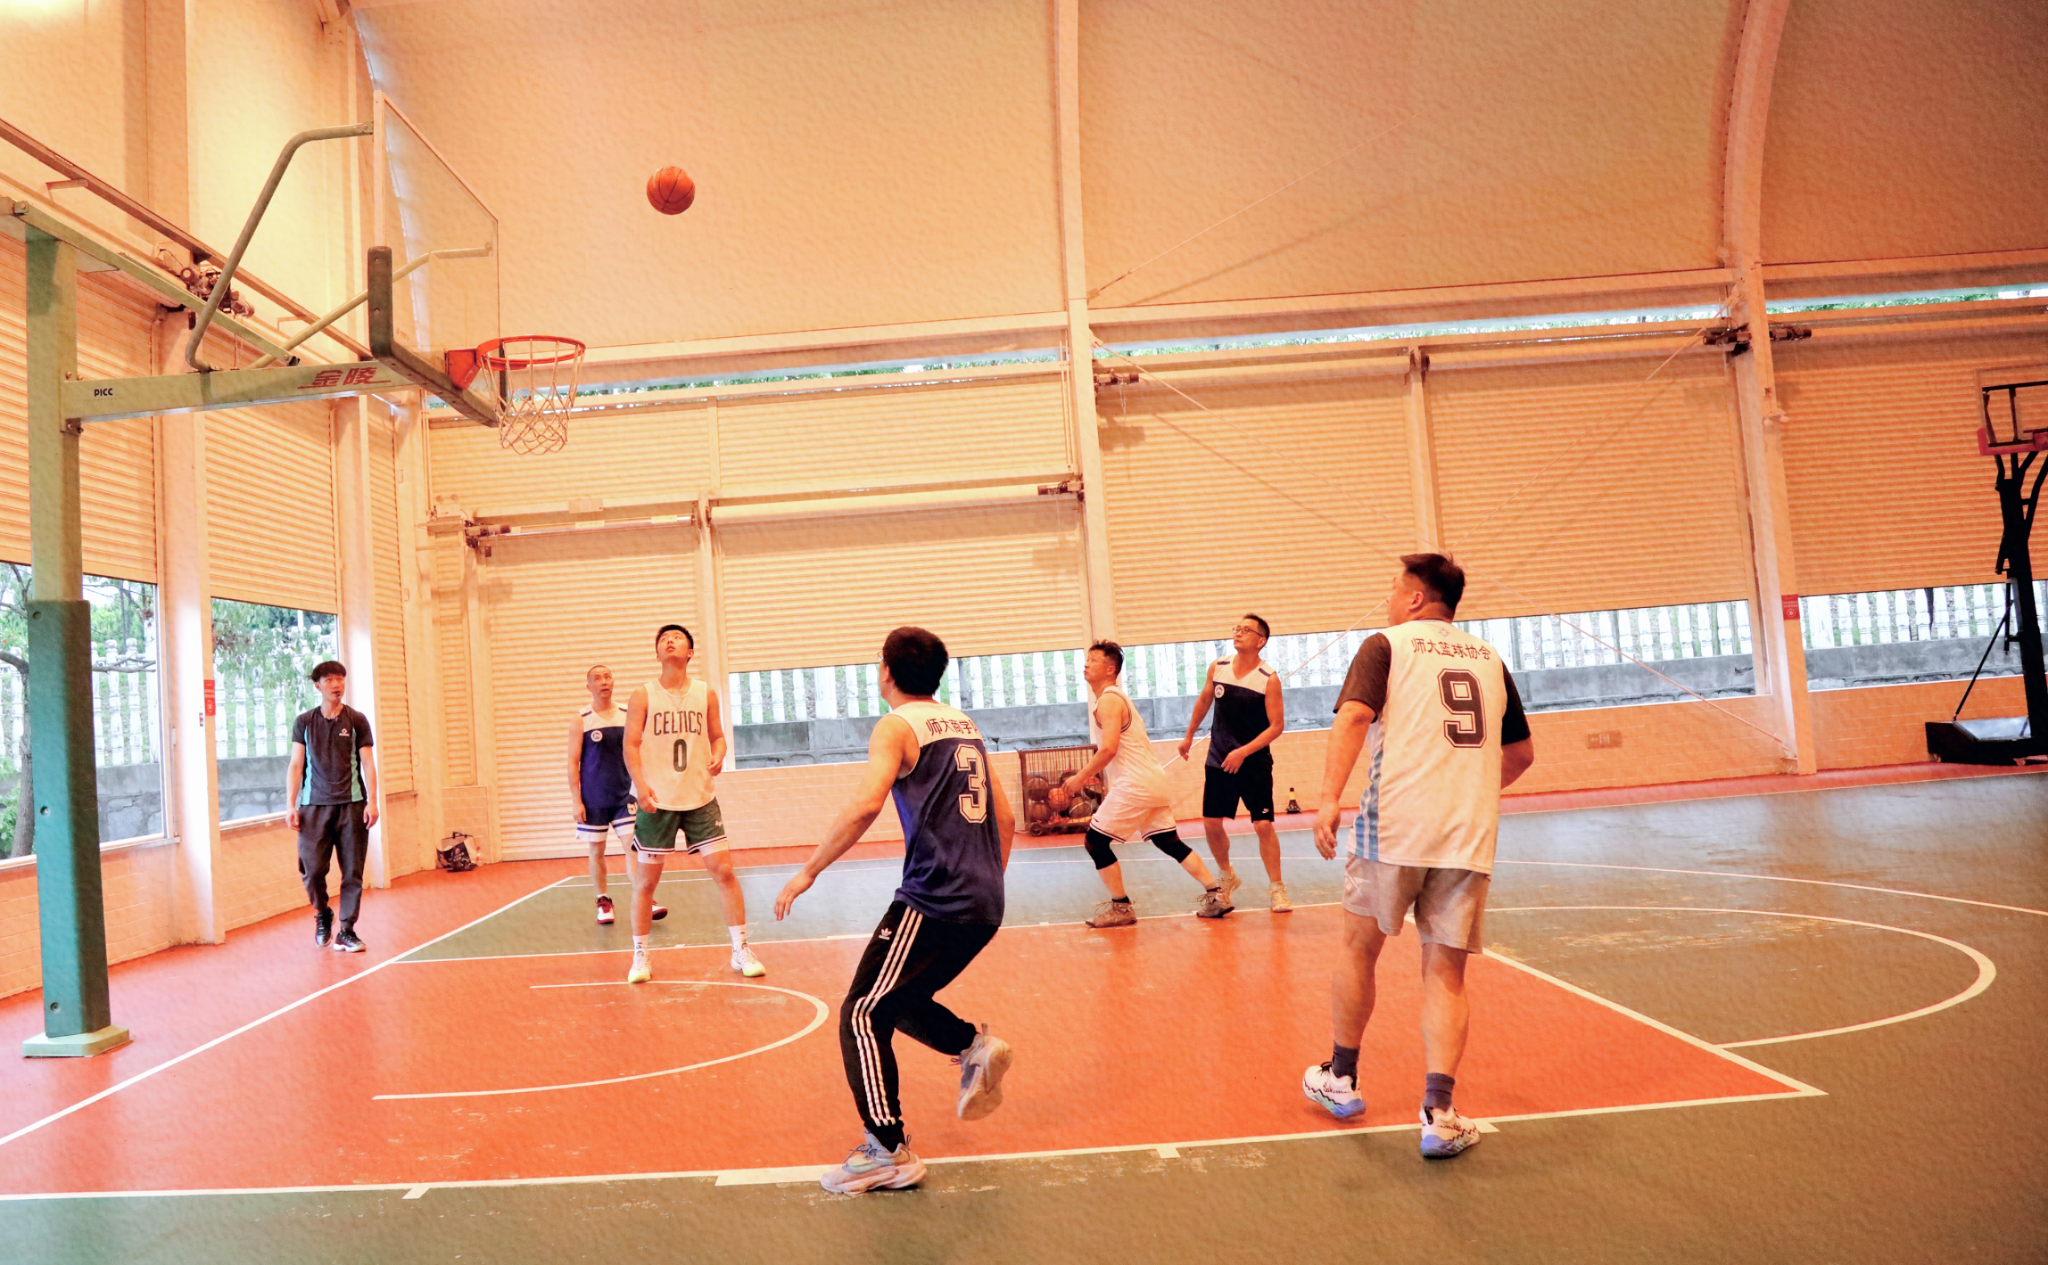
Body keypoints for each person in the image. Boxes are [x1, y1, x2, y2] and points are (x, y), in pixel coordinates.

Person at [1301, 554, 1535, 1159]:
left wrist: (1327, 800)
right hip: (1467, 836)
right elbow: (1521, 755)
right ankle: (1439, 1113)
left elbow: (1354, 716)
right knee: (1446, 973)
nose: (1387, 598)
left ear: (1414, 598)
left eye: (1392, 588)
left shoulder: (1387, 645)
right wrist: (1466, 794)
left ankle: (1341, 1077)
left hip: (1394, 827)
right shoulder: (1489, 658)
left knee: (1359, 948)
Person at [774, 627, 1016, 1195]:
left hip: (935, 897)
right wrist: (985, 881)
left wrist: (809, 870)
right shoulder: (962, 724)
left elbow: (866, 804)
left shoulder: (897, 725)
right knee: (896, 999)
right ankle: (971, 1047)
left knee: (861, 1011)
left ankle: (886, 1151)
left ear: (885, 671)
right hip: (985, 899)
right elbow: (1004, 819)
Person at [621, 624, 762, 983]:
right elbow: (630, 745)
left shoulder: (705, 692)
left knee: (724, 872)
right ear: (657, 653)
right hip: (658, 801)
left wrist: (719, 754)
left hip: (700, 798)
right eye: (663, 639)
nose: (670, 641)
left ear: (690, 652)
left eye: (678, 638)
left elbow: (718, 737)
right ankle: (640, 955)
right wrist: (641, 786)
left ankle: (741, 949)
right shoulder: (643, 695)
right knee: (645, 882)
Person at [1065, 641, 1232, 928]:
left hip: (1136, 785)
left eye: (1093, 659)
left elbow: (1109, 749)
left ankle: (1121, 908)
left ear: (1110, 669)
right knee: (1169, 842)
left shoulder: (1109, 699)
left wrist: (1078, 778)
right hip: (1152, 782)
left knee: (1095, 842)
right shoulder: (1115, 698)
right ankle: (1216, 895)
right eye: (1087, 659)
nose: (1086, 664)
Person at [1178, 613, 1290, 912]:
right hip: (1219, 759)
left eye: (1246, 630)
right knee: (1211, 823)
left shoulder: (1269, 678)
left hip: (1253, 762)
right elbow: (1204, 700)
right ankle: (1226, 874)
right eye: (1237, 628)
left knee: (1262, 825)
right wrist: (1189, 735)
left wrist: (1243, 752)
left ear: (1260, 641)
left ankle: (1277, 888)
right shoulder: (1219, 667)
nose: (1238, 633)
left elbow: (1277, 726)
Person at [286, 660, 379, 954]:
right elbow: (296, 765)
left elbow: (367, 763)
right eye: (329, 680)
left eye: (340, 679)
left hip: (352, 805)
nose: (336, 684)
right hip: (314, 807)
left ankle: (347, 930)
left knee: (352, 872)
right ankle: (323, 913)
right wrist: (290, 804)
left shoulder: (357, 720)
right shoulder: (304, 722)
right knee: (312, 870)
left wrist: (373, 801)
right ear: (318, 686)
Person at [568, 664, 664, 926]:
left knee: (632, 846)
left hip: (624, 796)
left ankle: (644, 898)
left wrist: (644, 786)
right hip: (593, 799)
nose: (603, 681)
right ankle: (603, 901)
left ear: (613, 682)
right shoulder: (581, 719)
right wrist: (576, 800)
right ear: (589, 686)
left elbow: (639, 752)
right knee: (596, 850)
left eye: (607, 677)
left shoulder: (626, 714)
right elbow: (573, 763)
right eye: (597, 678)